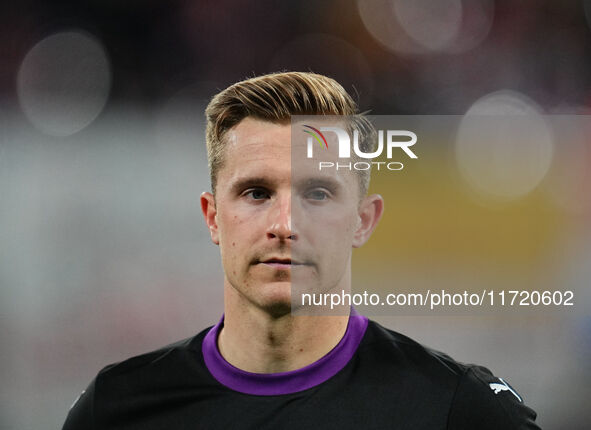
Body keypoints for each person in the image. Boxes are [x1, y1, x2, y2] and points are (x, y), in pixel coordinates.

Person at [62, 72, 541, 429]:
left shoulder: (458, 409)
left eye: (317, 194)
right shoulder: (116, 409)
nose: (286, 226)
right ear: (212, 216)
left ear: (363, 219)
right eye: (256, 193)